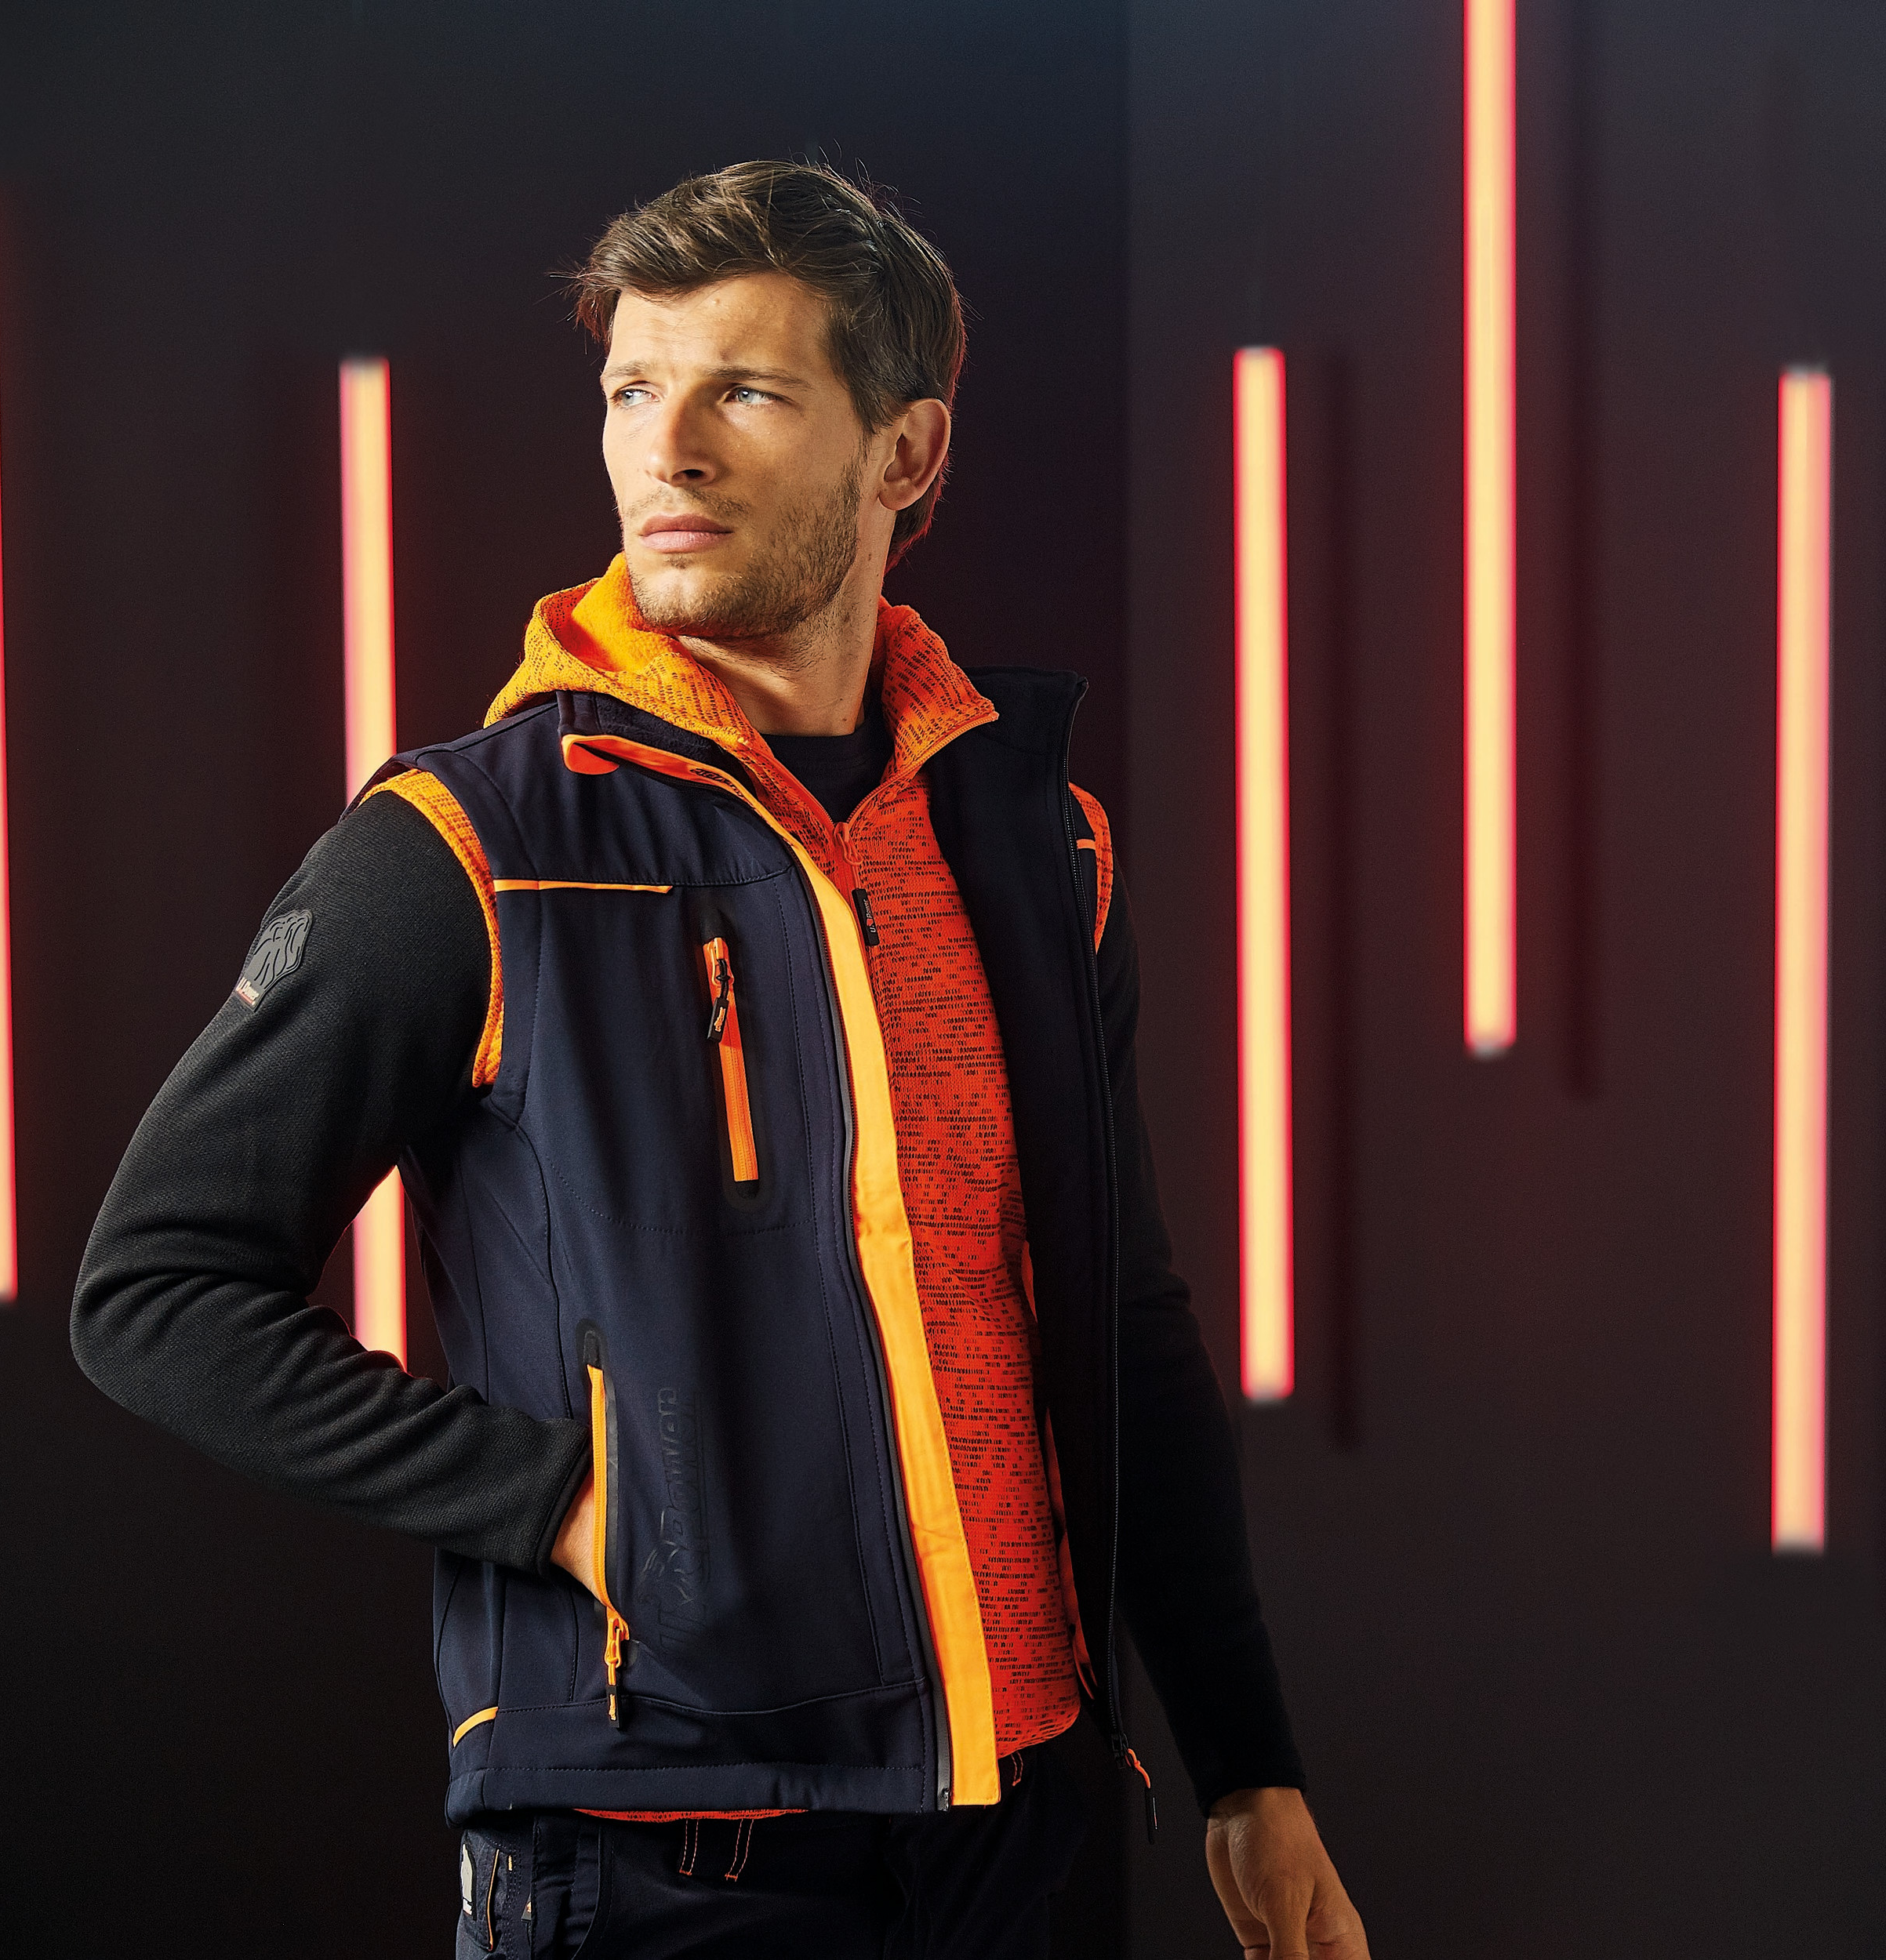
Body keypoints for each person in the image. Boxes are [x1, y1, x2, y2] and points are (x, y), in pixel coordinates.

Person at [73, 159, 1368, 1960]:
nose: (662, 450)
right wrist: (558, 1502)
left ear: (904, 452)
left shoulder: (1031, 849)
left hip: (1018, 1824)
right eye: (630, 389)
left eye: (742, 392)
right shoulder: (470, 845)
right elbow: (155, 1289)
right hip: (660, 1851)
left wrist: (1246, 1762)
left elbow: (1116, 1316)